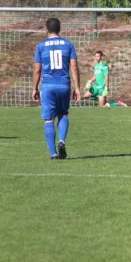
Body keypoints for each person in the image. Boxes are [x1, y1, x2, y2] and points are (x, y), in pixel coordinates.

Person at [32, 18, 81, 160]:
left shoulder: (41, 46)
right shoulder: (68, 44)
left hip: (48, 86)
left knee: (48, 120)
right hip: (64, 84)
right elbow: (74, 67)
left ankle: (53, 153)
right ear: (60, 29)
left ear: (47, 29)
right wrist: (77, 87)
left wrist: (34, 88)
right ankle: (62, 141)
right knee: (63, 114)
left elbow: (37, 69)